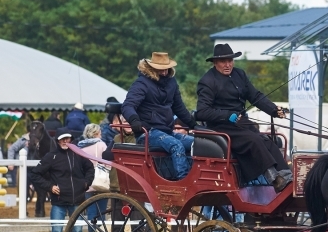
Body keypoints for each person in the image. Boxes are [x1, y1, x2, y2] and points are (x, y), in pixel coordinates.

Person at [196, 44, 292, 191]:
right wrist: (227, 115)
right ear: (215, 63)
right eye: (223, 62)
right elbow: (202, 112)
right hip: (221, 127)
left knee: (268, 142)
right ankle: (274, 178)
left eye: (230, 61)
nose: (228, 65)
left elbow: (255, 96)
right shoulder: (208, 81)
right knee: (254, 141)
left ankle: (288, 177)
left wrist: (273, 110)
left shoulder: (240, 74)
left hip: (241, 124)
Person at [122, 52, 196, 180]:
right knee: (176, 145)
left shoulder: (172, 83)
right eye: (160, 69)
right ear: (152, 68)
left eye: (166, 68)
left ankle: (193, 177)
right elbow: (128, 106)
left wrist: (194, 125)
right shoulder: (141, 83)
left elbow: (179, 108)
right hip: (148, 132)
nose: (164, 72)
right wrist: (134, 121)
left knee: (196, 144)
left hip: (167, 131)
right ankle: (183, 182)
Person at [29, 128, 94, 232]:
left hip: (77, 200)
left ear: (70, 139)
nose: (65, 141)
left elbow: (90, 169)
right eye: (62, 139)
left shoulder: (79, 154)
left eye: (67, 138)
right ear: (57, 140)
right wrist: (50, 186)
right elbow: (35, 174)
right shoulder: (51, 156)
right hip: (58, 202)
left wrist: (86, 183)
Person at [77, 123, 108, 220]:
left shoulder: (80, 146)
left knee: (91, 211)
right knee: (102, 212)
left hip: (86, 183)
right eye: (99, 132)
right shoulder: (101, 145)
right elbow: (107, 163)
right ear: (95, 133)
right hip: (101, 181)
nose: (101, 135)